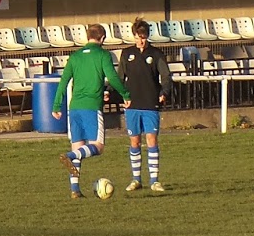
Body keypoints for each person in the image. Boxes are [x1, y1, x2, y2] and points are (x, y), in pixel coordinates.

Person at [51, 23, 131, 199]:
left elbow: (63, 82)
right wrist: (125, 93)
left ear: (87, 37)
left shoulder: (75, 56)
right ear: (102, 38)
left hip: (74, 109)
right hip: (91, 108)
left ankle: (75, 190)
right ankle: (68, 156)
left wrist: (57, 105)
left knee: (78, 147)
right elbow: (113, 77)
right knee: (98, 146)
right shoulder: (103, 55)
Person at [117, 18, 174, 193]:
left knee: (151, 140)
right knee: (134, 141)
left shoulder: (156, 54)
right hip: (132, 104)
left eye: (143, 37)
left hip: (150, 103)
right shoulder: (127, 54)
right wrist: (111, 92)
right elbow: (119, 78)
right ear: (133, 36)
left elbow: (166, 76)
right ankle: (136, 179)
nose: (140, 40)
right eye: (137, 37)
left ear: (147, 36)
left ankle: (155, 180)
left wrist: (164, 92)